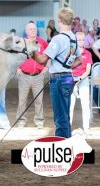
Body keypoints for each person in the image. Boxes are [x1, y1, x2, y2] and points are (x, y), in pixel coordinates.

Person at [32, 7, 82, 138]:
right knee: (65, 115)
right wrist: (67, 66)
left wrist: (31, 52)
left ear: (59, 21)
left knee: (60, 118)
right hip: (68, 78)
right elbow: (79, 60)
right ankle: (69, 146)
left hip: (58, 80)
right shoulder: (73, 38)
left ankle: (63, 149)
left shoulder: (58, 39)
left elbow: (42, 59)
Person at [16, 22, 48, 129]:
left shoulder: (42, 42)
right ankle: (21, 121)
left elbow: (49, 55)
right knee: (22, 100)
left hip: (38, 76)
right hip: (24, 76)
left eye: (34, 29)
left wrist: (46, 68)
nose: (33, 30)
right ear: (26, 31)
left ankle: (39, 121)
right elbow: (15, 56)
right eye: (30, 29)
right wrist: (17, 68)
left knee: (39, 100)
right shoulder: (21, 43)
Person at [69, 32, 93, 133]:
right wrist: (73, 80)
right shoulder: (71, 52)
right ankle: (68, 127)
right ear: (75, 40)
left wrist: (79, 80)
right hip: (70, 79)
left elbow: (88, 71)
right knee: (70, 104)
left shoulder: (88, 53)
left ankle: (86, 128)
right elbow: (67, 67)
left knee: (85, 104)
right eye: (78, 40)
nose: (81, 42)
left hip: (83, 80)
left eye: (83, 40)